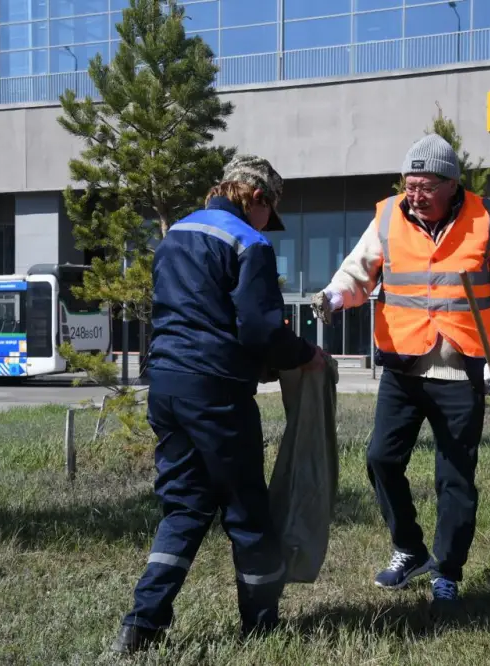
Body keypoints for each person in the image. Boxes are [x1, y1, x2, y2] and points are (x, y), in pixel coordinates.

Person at [111, 155, 328, 654]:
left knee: (185, 506)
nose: (266, 227)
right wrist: (303, 355)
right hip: (216, 392)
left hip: (165, 385)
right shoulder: (249, 242)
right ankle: (261, 627)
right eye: (267, 215)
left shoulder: (176, 234)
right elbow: (257, 328)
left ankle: (142, 624)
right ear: (257, 199)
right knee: (247, 511)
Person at [313, 134, 490, 613]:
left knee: (455, 478)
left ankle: (448, 572)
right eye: (410, 185)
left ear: (453, 185)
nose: (415, 194)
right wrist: (335, 295)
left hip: (462, 369)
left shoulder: (488, 221)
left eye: (426, 185)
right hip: (404, 367)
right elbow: (358, 273)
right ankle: (410, 548)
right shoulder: (388, 216)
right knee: (380, 460)